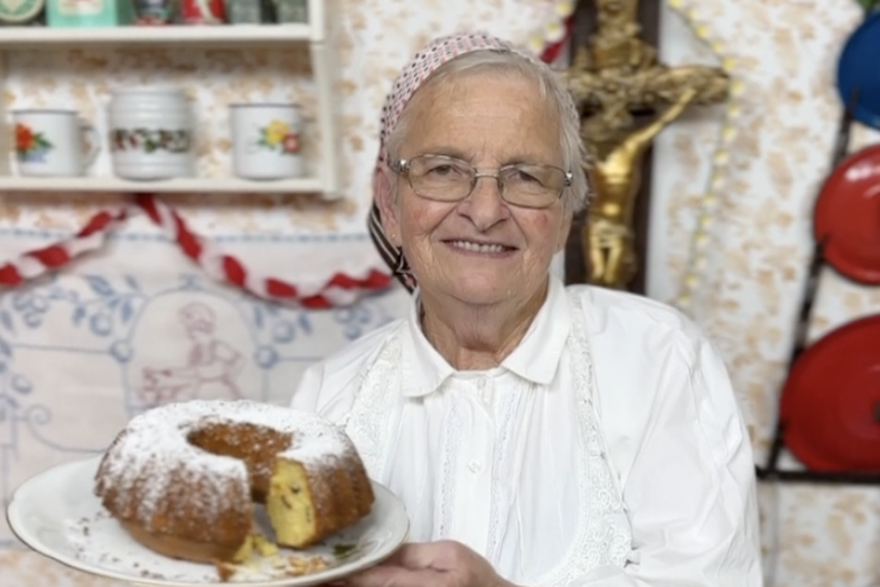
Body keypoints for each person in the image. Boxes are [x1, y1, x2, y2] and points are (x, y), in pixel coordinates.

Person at [291, 32, 763, 587]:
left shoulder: (658, 361)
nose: (486, 210)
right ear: (390, 202)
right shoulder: (328, 398)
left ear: (565, 213)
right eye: (443, 169)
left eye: (527, 177)